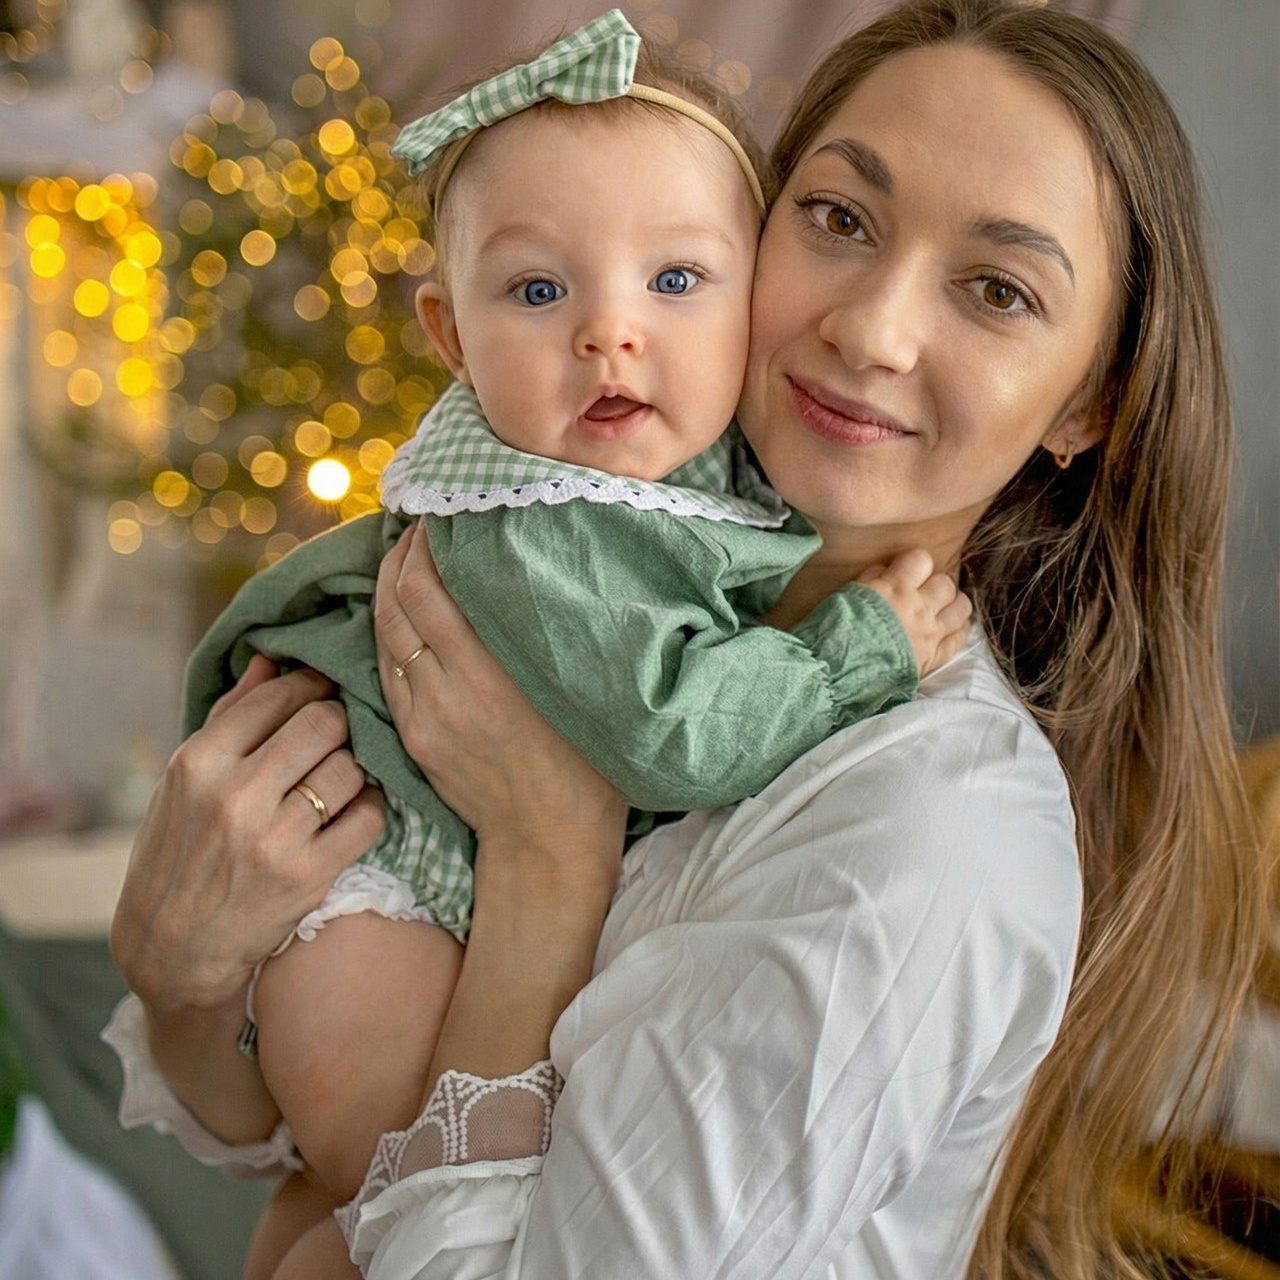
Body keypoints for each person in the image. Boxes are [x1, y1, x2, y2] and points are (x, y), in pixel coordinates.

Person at [105, 1, 1269, 1276]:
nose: (871, 329)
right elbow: (301, 1130)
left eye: (996, 290)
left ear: (1089, 401)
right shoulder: (604, 560)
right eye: (838, 219)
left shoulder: (926, 830)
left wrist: (550, 861)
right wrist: (184, 977)